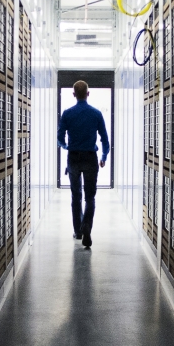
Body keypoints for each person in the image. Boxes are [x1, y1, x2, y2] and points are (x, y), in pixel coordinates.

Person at [57, 80, 110, 248]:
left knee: (75, 196)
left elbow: (59, 139)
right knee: (90, 197)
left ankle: (78, 231)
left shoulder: (67, 114)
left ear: (74, 94)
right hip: (90, 158)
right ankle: (86, 226)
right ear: (88, 94)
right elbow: (105, 139)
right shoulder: (96, 114)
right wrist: (104, 156)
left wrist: (67, 146)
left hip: (73, 158)